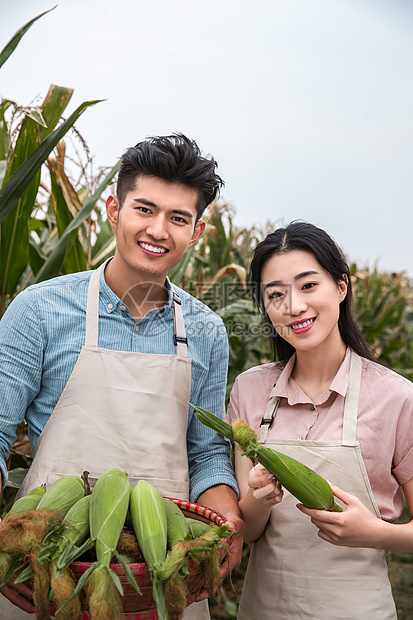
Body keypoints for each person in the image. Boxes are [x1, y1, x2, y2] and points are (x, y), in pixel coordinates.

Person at [0, 133, 243, 619]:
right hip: (50, 562)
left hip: (160, 571)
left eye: (178, 218)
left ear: (196, 233)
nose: (158, 230)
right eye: (144, 209)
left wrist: (227, 522)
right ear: (114, 209)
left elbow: (208, 452)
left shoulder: (205, 330)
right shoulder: (41, 310)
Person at [226, 221, 413, 619]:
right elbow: (251, 531)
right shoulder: (249, 391)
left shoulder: (396, 398)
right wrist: (257, 500)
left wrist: (376, 534)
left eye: (308, 286)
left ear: (341, 287)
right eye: (275, 294)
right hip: (263, 609)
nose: (293, 306)